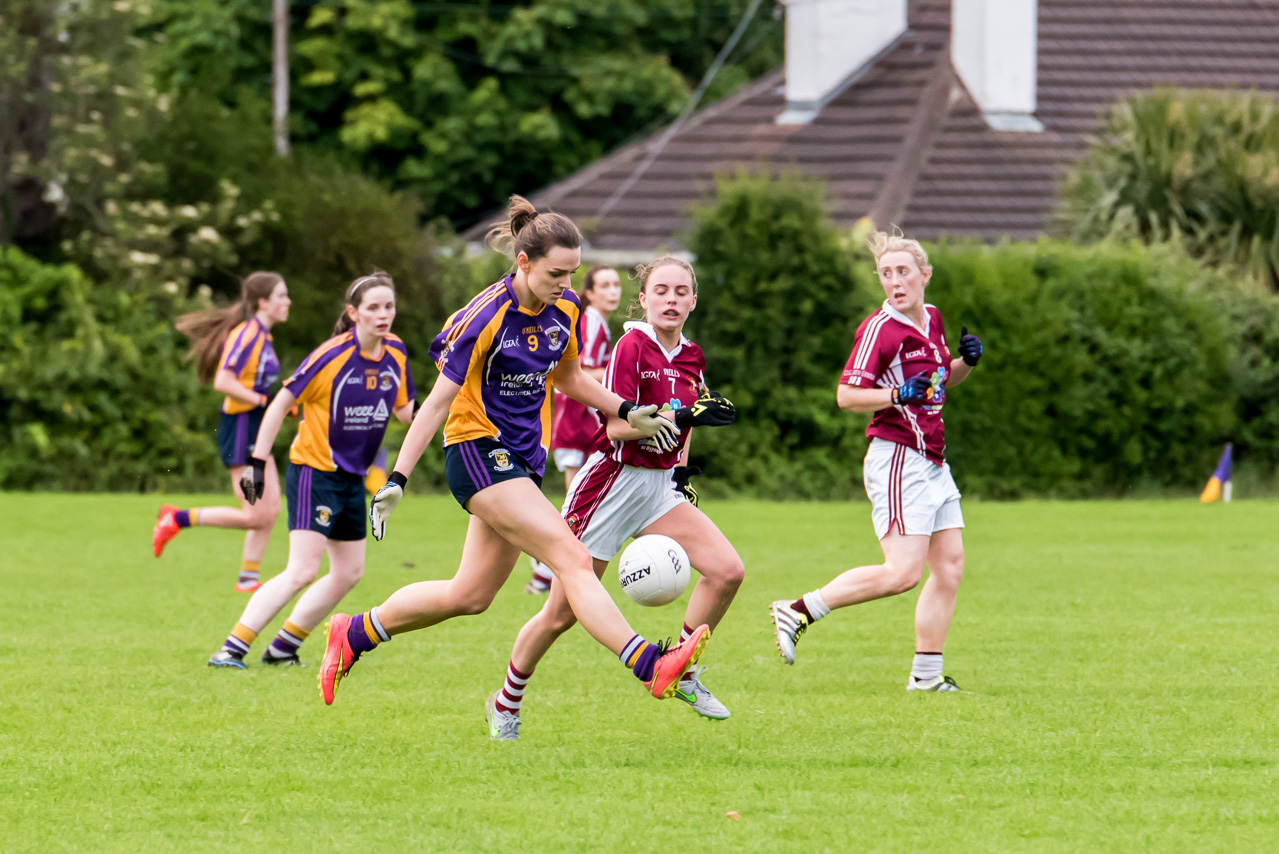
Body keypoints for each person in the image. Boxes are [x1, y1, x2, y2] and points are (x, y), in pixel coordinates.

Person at [316, 196, 710, 710]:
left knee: (471, 595)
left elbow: (569, 377)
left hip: (522, 460)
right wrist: (397, 478)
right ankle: (649, 664)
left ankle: (354, 633)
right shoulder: (485, 317)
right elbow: (436, 405)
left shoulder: (565, 307)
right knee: (572, 558)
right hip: (476, 451)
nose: (567, 284)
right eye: (556, 273)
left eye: (573, 273)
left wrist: (626, 409)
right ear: (523, 262)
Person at [486, 255, 742, 740]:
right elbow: (616, 426)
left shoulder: (692, 355)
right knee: (559, 615)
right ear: (643, 300)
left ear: (693, 301)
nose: (671, 299)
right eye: (661, 291)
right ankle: (506, 702)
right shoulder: (631, 345)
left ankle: (680, 670)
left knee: (728, 571)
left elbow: (691, 418)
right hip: (611, 484)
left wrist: (682, 468)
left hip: (658, 490)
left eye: (680, 291)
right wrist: (681, 417)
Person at [769, 231, 983, 692]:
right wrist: (893, 394)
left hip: (932, 459)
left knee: (949, 568)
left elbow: (943, 382)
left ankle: (926, 678)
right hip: (898, 458)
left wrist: (964, 363)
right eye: (886, 274)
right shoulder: (879, 330)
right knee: (902, 572)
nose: (894, 281)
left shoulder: (931, 319)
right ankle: (798, 609)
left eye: (903, 271)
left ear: (925, 274)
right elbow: (846, 396)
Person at [207, 272, 415, 668]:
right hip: (313, 472)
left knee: (350, 571)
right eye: (373, 307)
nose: (383, 314)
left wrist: (455, 398)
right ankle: (232, 648)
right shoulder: (331, 355)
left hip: (352, 477)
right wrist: (257, 462)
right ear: (354, 314)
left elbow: (406, 412)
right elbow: (280, 404)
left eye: (388, 306)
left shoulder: (397, 353)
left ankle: (284, 646)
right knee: (302, 569)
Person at [154, 272, 291, 593]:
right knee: (255, 514)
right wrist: (263, 400)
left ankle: (247, 579)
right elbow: (224, 382)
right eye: (282, 296)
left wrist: (280, 403)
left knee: (270, 509)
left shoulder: (263, 336)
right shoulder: (247, 335)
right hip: (241, 428)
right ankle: (176, 519)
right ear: (263, 302)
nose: (288, 302)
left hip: (256, 426)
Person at [527, 264, 622, 594]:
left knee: (580, 503)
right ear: (591, 293)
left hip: (585, 420)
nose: (614, 291)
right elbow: (579, 373)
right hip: (574, 419)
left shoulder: (599, 323)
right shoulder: (590, 321)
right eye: (605, 285)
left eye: (616, 285)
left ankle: (545, 572)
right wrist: (620, 371)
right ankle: (543, 572)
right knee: (574, 504)